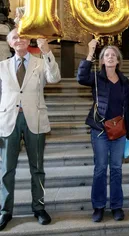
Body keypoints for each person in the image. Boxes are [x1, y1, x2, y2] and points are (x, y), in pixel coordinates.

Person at [0, 28, 61, 231]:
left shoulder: (40, 62)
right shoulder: (2, 66)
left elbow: (54, 78)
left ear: (29, 41)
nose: (19, 40)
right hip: (9, 121)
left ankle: (39, 208)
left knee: (37, 168)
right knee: (6, 169)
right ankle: (4, 211)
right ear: (10, 43)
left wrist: (47, 51)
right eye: (15, 37)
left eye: (23, 36)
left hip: (34, 120)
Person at [77, 41, 129, 223]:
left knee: (116, 169)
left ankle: (117, 206)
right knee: (101, 168)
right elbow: (81, 76)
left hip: (119, 130)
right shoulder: (96, 78)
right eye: (106, 55)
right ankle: (99, 206)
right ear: (102, 60)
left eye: (113, 55)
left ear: (118, 60)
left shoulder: (125, 81)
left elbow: (128, 108)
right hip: (100, 130)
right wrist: (90, 52)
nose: (110, 57)